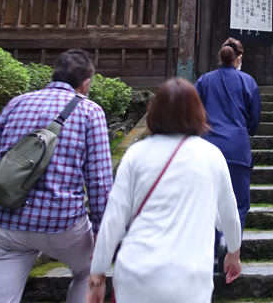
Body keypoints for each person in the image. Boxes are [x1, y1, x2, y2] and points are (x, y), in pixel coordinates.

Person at [86, 79, 242, 303]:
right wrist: (233, 253)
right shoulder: (212, 155)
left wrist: (97, 276)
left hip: (135, 274)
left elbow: (113, 220)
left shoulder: (135, 154)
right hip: (189, 279)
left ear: (155, 111)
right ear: (198, 112)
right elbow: (228, 216)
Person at [0, 49, 113, 303]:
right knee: (87, 271)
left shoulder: (15, 103)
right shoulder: (89, 112)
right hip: (61, 222)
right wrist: (101, 231)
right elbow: (99, 181)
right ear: (86, 82)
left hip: (7, 217)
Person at [194, 38, 261, 234]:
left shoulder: (204, 81)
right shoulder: (248, 81)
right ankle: (231, 249)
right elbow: (254, 117)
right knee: (238, 202)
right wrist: (246, 131)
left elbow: (194, 113)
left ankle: (213, 249)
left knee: (209, 201)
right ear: (238, 58)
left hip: (208, 146)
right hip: (237, 147)